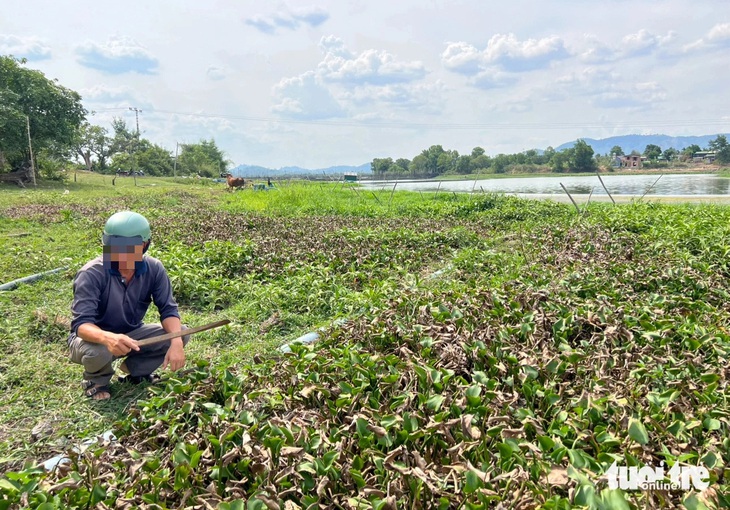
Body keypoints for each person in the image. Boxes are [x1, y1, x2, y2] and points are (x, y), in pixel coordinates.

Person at [68, 211, 189, 400]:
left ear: (145, 245)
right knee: (97, 351)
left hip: (132, 333)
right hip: (93, 340)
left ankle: (135, 371)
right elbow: (81, 325)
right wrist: (108, 338)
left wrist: (176, 342)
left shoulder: (154, 269)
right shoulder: (91, 273)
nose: (122, 254)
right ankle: (96, 380)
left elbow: (168, 309)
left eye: (130, 247)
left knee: (180, 333)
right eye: (116, 247)